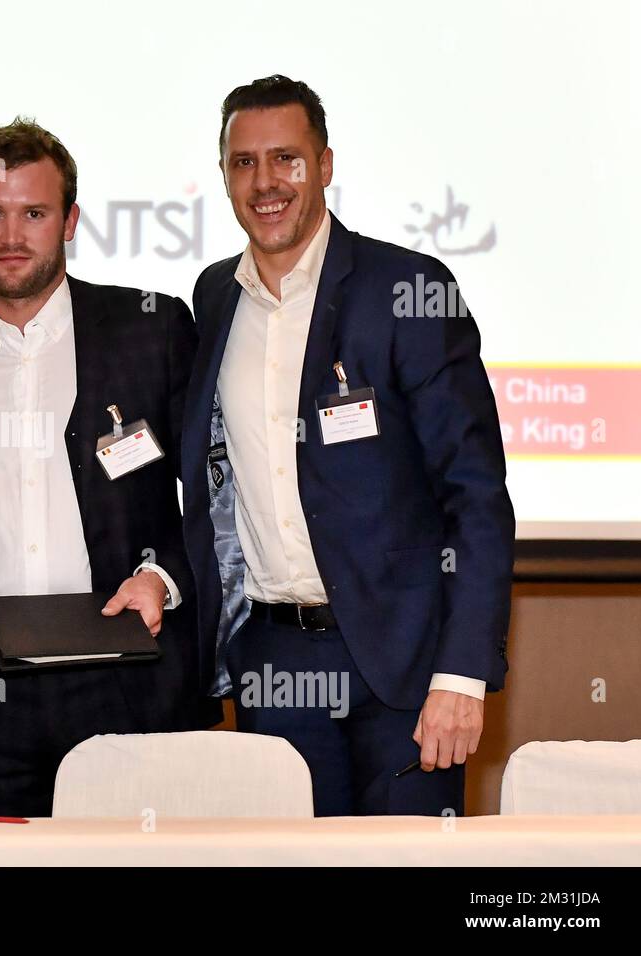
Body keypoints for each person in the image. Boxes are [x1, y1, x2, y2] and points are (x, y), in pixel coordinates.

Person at [181, 76, 514, 816]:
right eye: (243, 163)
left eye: (286, 160)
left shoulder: (407, 290)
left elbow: (477, 500)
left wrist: (460, 674)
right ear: (225, 176)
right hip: (274, 662)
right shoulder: (214, 298)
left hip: (406, 669)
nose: (265, 182)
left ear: (324, 165)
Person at [0, 118, 219, 819]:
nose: (11, 235)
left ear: (69, 221)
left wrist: (163, 577)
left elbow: (221, 484)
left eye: (34, 213)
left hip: (130, 679)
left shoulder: (149, 331)